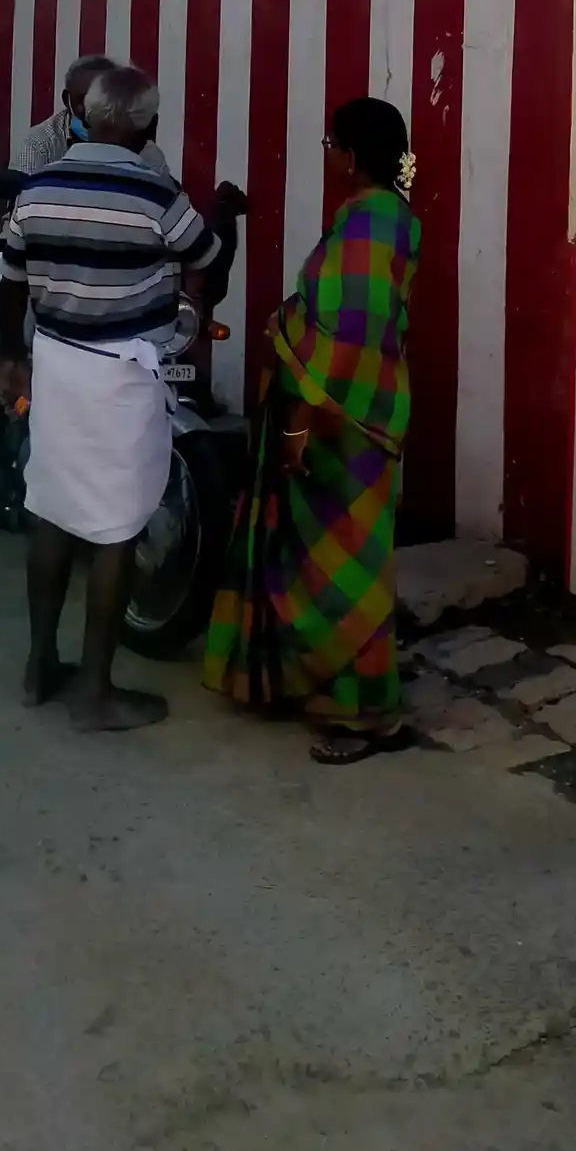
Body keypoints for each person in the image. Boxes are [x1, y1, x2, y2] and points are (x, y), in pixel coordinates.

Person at [0, 63, 240, 731]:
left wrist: (12, 356)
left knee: (50, 512)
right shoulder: (157, 194)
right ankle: (95, 693)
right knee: (117, 530)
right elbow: (207, 255)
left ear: (84, 117)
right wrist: (185, 305)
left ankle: (40, 665)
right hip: (121, 376)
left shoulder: (40, 186)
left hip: (55, 366)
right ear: (147, 126)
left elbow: (11, 280)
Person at [204, 96, 420, 766]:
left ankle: (364, 713)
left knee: (344, 571)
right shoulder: (390, 218)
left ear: (352, 156)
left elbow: (348, 335)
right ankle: (339, 687)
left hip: (341, 423)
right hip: (366, 413)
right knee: (344, 564)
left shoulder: (367, 225)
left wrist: (301, 419)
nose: (329, 159)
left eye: (331, 146)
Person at [14, 54, 114, 175]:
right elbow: (25, 191)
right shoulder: (39, 143)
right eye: (83, 99)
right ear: (67, 100)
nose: (91, 109)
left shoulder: (132, 136)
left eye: (100, 101)